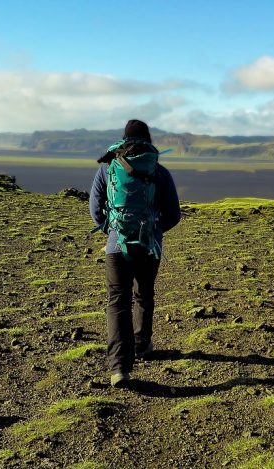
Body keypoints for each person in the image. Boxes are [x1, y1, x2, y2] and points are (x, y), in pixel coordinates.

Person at [90, 119, 181, 388]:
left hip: (116, 247)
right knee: (144, 293)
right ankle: (142, 344)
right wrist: (154, 231)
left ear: (123, 139)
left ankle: (119, 368)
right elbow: (174, 214)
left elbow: (95, 210)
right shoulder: (160, 172)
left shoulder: (109, 169)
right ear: (149, 140)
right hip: (149, 247)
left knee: (118, 302)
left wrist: (113, 230)